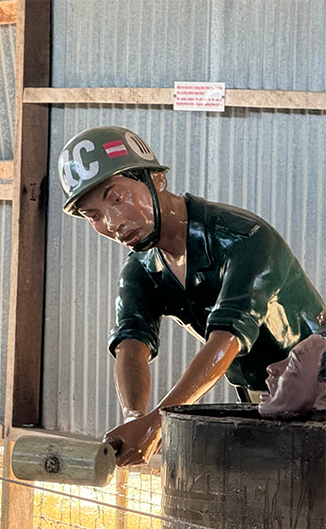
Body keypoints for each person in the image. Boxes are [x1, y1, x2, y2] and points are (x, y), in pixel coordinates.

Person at [57, 125, 324, 466]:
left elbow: (227, 338)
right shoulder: (142, 268)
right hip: (260, 398)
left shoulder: (245, 239)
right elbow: (131, 345)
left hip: (318, 392)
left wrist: (158, 422)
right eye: (92, 216)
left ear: (157, 180)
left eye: (117, 198)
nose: (111, 223)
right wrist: (133, 416)